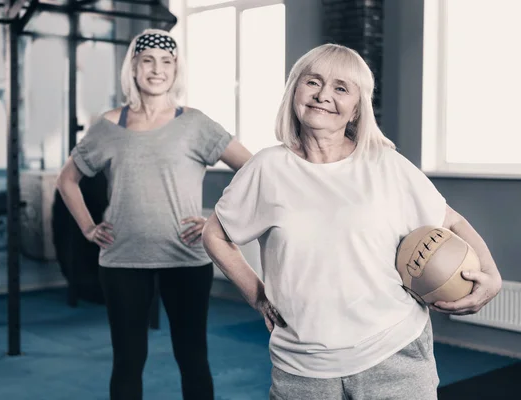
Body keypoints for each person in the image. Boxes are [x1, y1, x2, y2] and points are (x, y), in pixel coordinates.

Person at [202, 43, 502, 400]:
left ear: (356, 108)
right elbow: (215, 234)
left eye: (341, 88)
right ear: (294, 90)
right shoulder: (267, 169)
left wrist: (492, 275)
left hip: (394, 352)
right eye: (312, 82)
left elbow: (452, 222)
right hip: (302, 367)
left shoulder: (386, 164)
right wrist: (257, 294)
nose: (324, 95)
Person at [56, 28, 252, 400]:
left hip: (186, 259)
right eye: (148, 60)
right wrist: (87, 227)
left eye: (166, 62)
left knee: (192, 357)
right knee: (128, 361)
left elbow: (254, 171)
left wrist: (218, 221)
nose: (156, 69)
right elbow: (67, 180)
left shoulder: (195, 123)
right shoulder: (108, 126)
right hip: (122, 260)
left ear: (177, 70)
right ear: (134, 67)